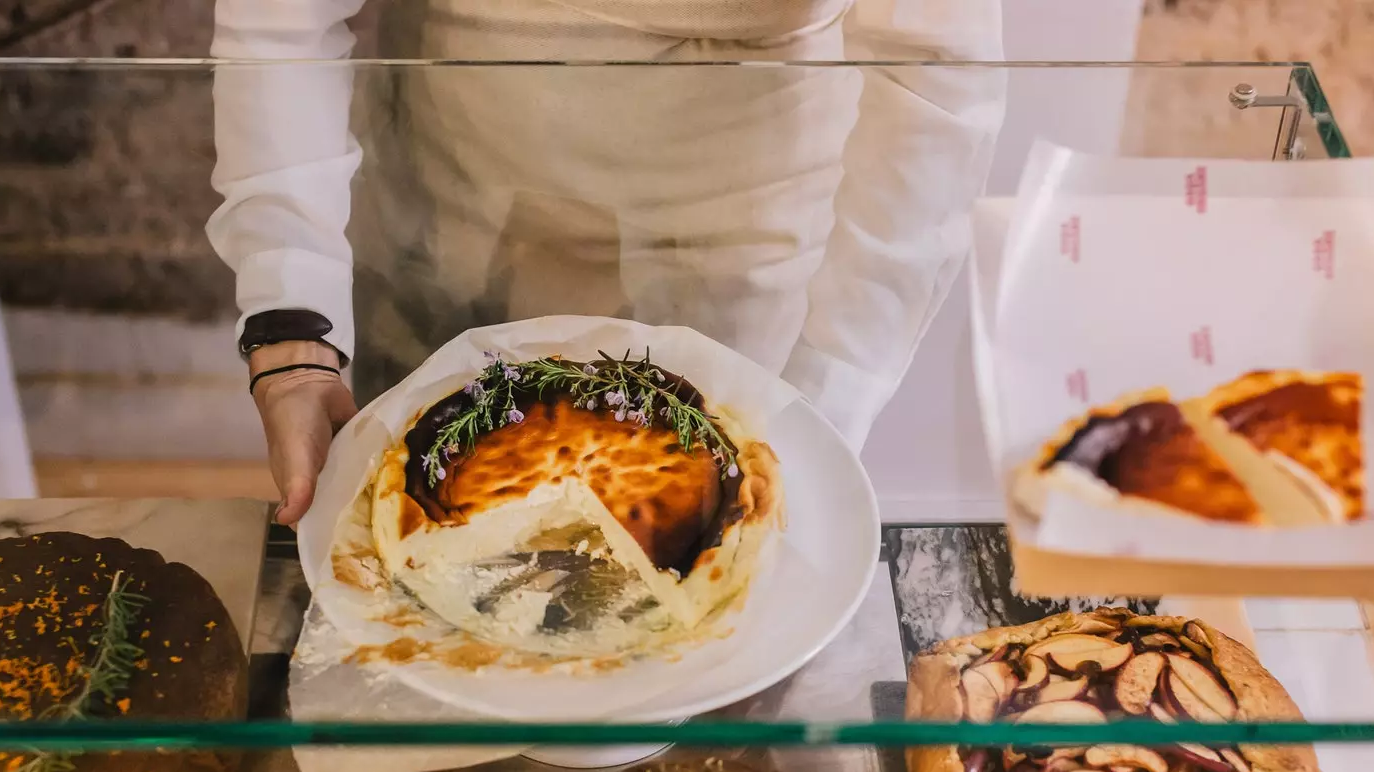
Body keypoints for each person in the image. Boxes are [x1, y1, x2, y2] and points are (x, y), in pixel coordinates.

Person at [208, 0, 1005, 525]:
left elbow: (936, 63)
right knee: (432, 569)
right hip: (448, 211)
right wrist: (292, 321)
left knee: (703, 596)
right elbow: (283, 19)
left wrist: (829, 396)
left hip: (736, 244)